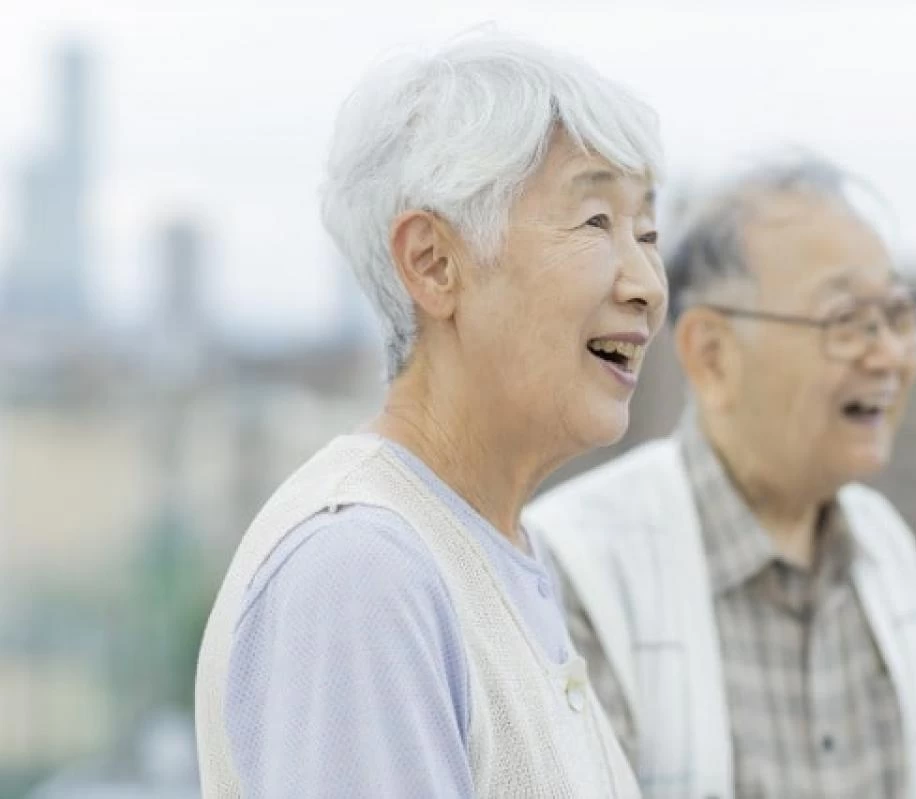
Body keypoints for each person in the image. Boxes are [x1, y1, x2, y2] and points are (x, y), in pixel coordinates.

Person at [194, 33, 666, 798]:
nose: (646, 281)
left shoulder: (493, 543)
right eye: (594, 223)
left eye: (647, 231)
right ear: (433, 263)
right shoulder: (362, 569)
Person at [525, 157, 916, 799]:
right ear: (711, 355)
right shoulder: (573, 567)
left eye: (898, 316)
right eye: (846, 322)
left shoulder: (885, 549)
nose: (890, 354)